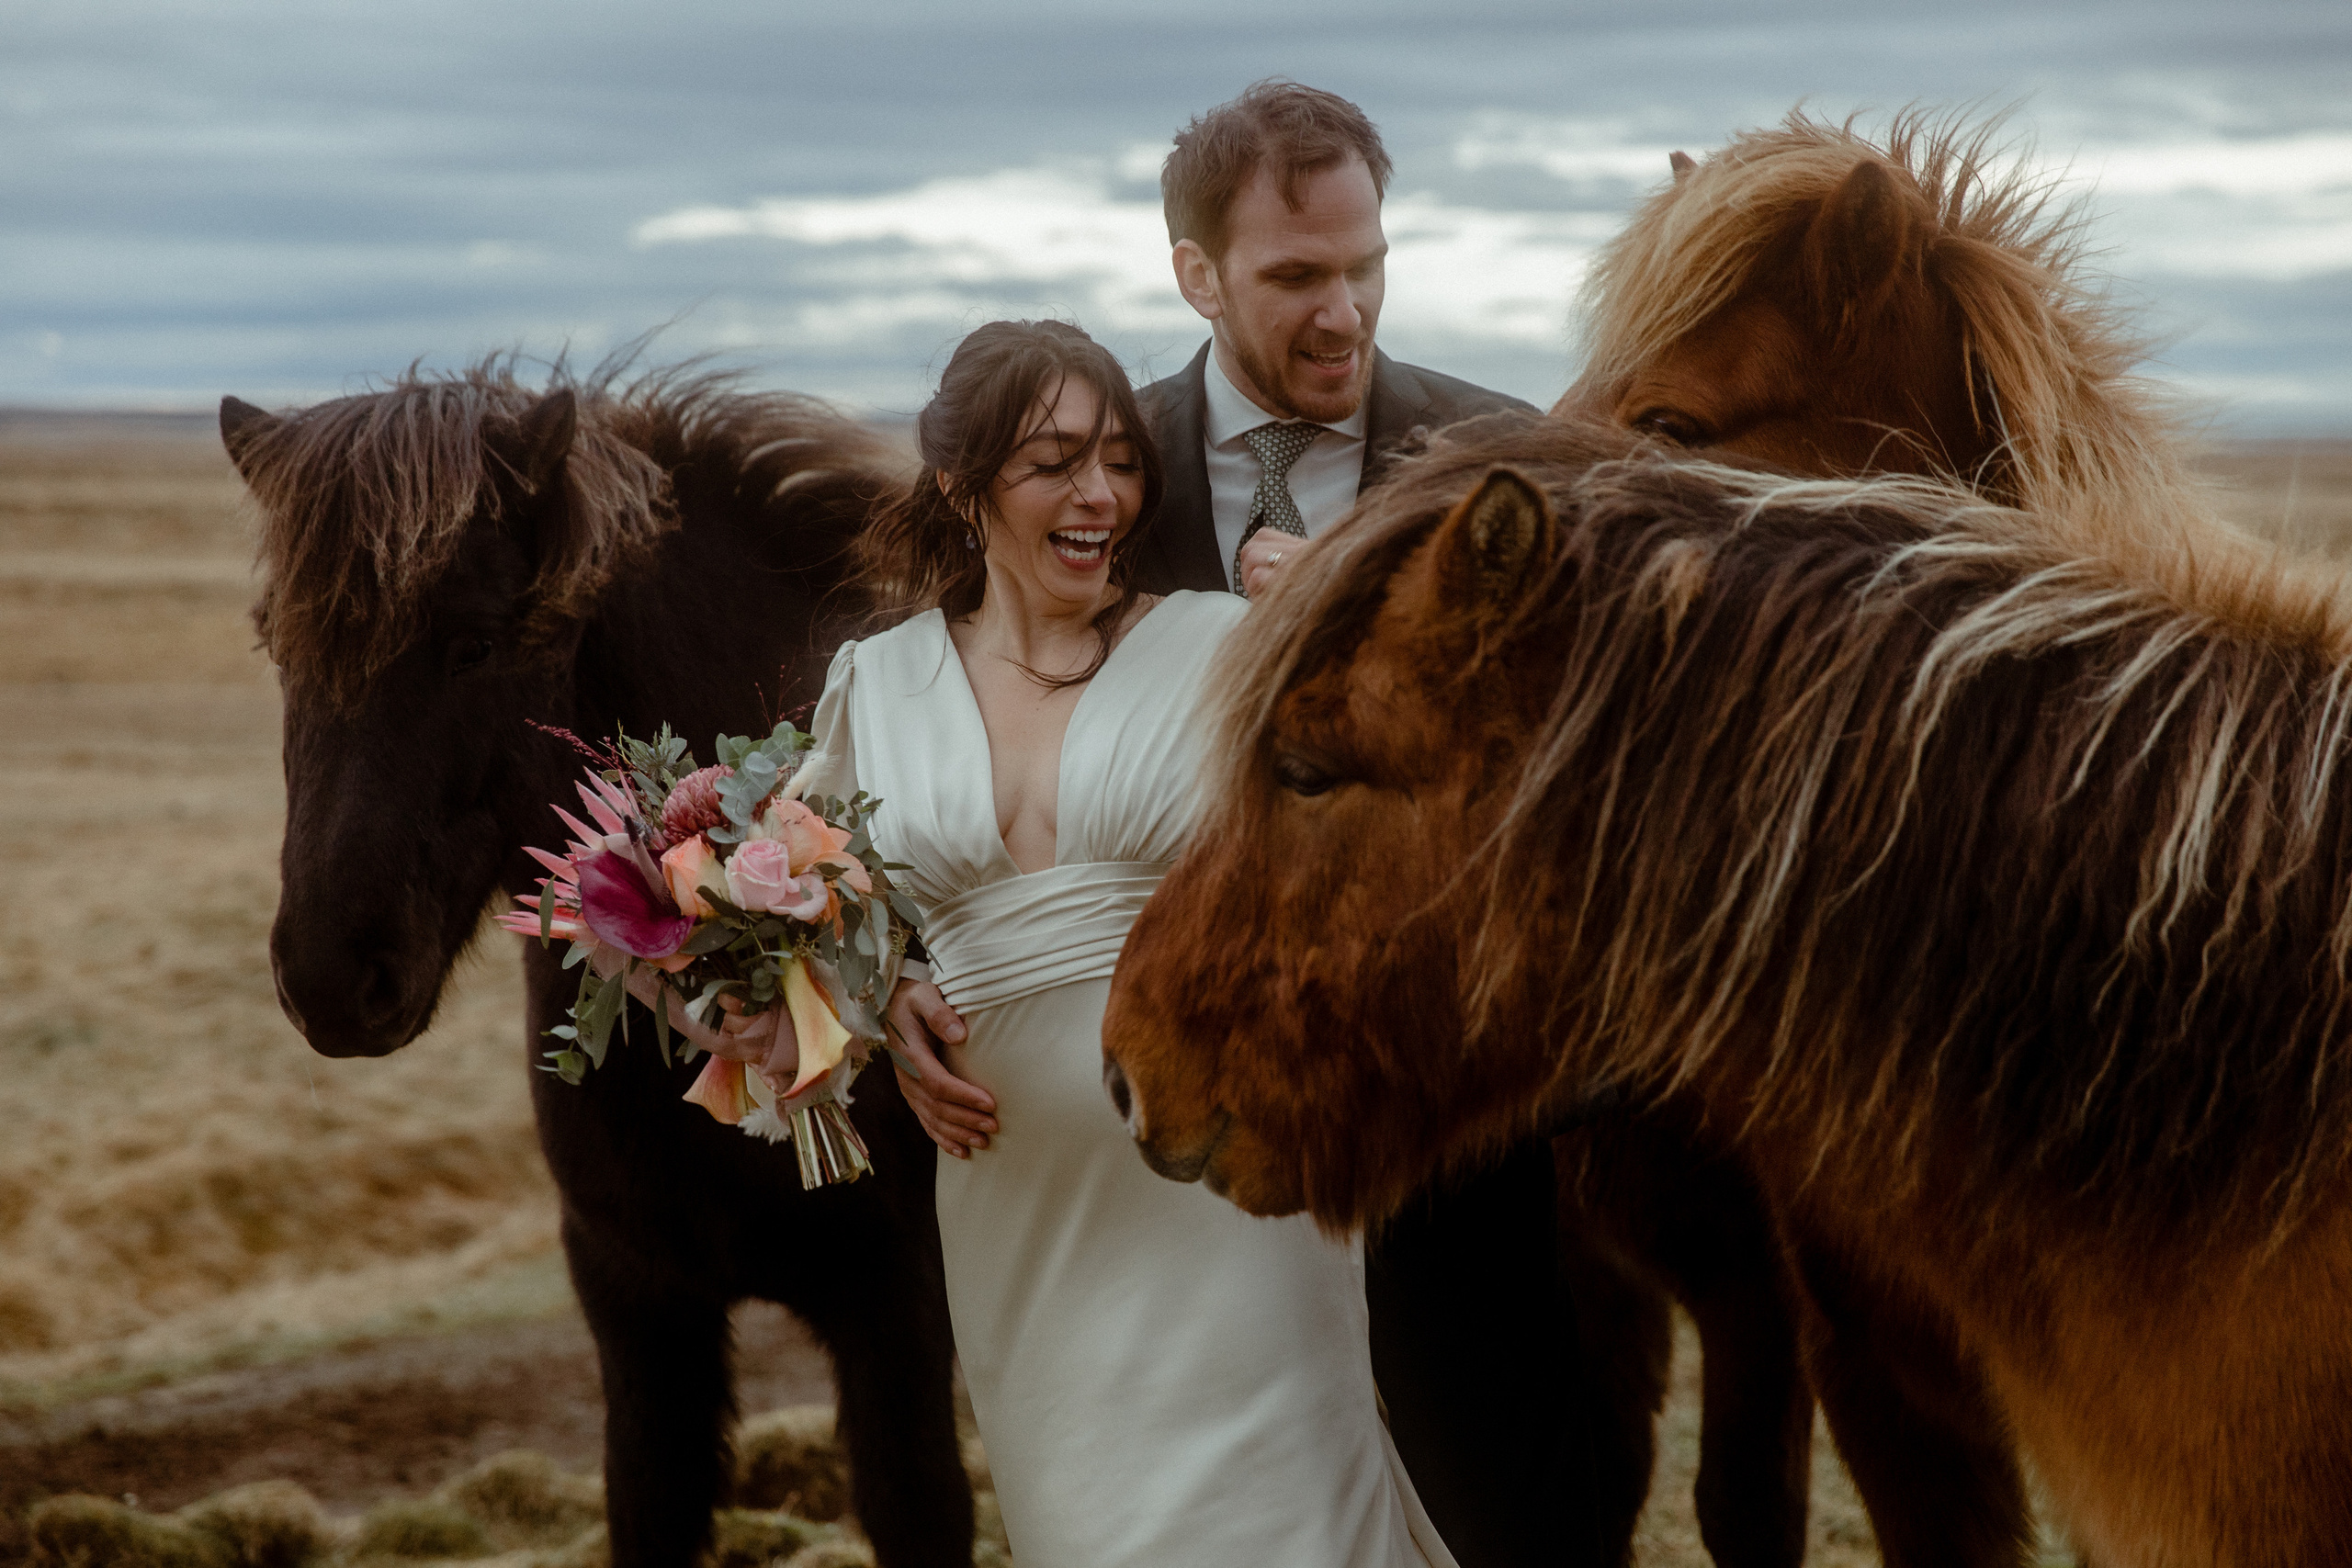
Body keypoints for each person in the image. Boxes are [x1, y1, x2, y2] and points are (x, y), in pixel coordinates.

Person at [781, 318, 1460, 1568]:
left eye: (1119, 459)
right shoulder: (874, 686)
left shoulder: (1218, 645)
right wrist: (886, 1000)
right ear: (961, 483)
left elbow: (1382, 816)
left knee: (1286, 1523)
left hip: (1228, 1179)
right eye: (1054, 463)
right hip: (1017, 1207)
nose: (1101, 494)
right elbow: (800, 908)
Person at [1126, 82, 1589, 1568]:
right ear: (1196, 273)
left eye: (1366, 266)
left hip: (1459, 1154)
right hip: (1189, 1127)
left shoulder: (1509, 457)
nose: (1346, 312)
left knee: (1514, 1509)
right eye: (1295, 279)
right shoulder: (1098, 483)